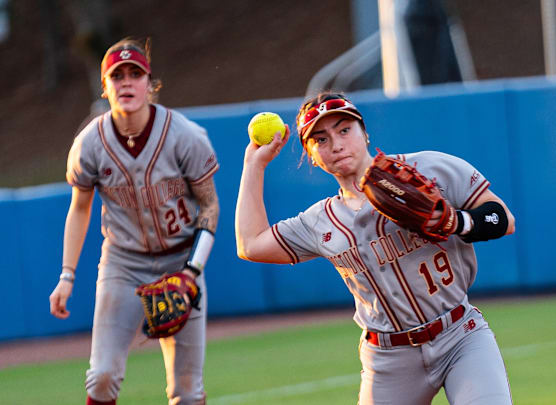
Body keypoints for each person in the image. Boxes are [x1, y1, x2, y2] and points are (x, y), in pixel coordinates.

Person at [234, 91, 515, 404]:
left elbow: (502, 218)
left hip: (461, 336)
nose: (337, 144)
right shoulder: (319, 222)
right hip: (388, 359)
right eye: (321, 139)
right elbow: (251, 244)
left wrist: (457, 222)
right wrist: (254, 165)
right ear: (311, 156)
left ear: (364, 133)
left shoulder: (427, 170)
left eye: (344, 129)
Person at [49, 37, 219, 405]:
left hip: (181, 262)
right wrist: (67, 275)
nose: (126, 82)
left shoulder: (185, 136)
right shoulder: (90, 143)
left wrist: (191, 271)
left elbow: (210, 207)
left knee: (187, 391)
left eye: (135, 73)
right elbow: (80, 208)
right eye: (117, 75)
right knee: (102, 376)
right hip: (123, 264)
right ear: (105, 86)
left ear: (149, 83)